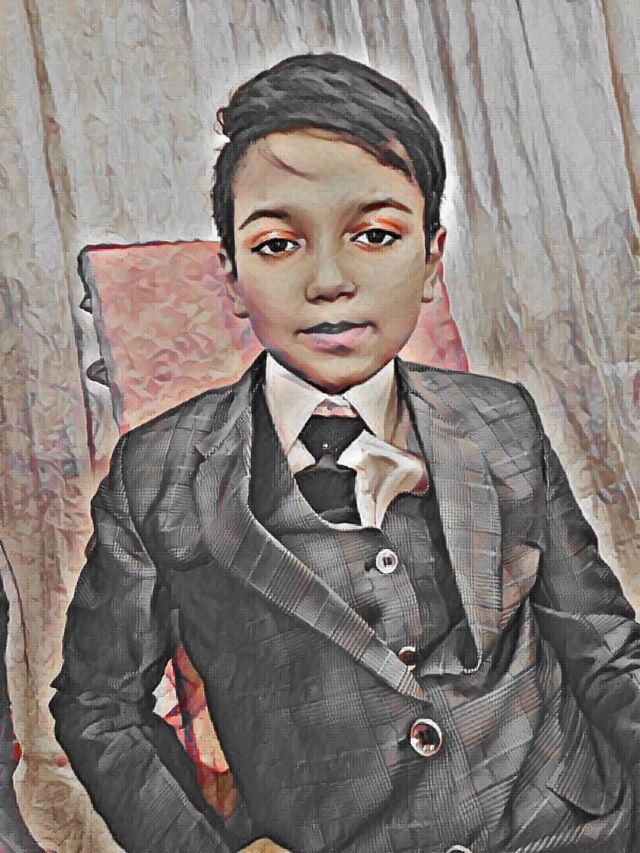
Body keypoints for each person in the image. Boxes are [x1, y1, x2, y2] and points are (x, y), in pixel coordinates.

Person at [50, 53, 640, 853]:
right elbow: (98, 706)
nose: (329, 280)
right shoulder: (159, 474)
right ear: (230, 275)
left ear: (431, 260)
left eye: (375, 235)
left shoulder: (502, 420)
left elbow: (606, 650)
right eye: (277, 244)